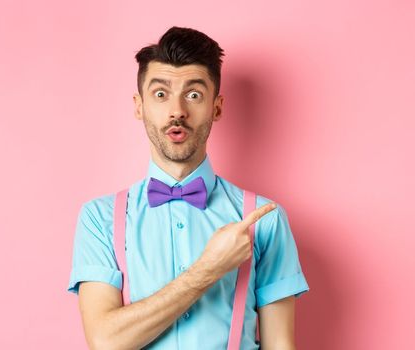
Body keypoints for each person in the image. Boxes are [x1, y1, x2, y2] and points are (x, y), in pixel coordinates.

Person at [66, 26, 309, 350]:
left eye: (193, 94)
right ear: (139, 106)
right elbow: (105, 341)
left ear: (217, 107)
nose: (177, 110)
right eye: (161, 94)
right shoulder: (100, 218)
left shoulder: (263, 219)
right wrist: (208, 270)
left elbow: (281, 345)